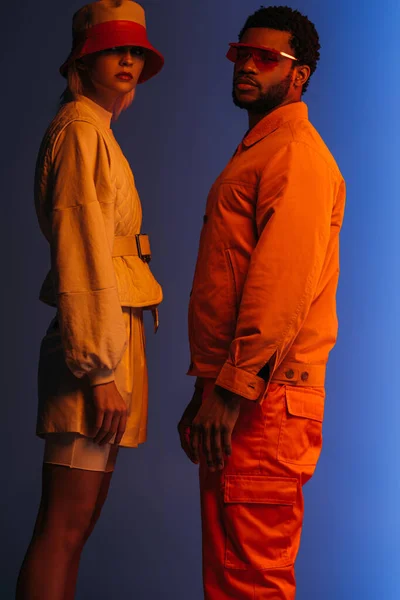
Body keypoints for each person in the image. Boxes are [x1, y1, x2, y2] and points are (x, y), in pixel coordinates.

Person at [178, 5, 346, 599]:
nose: (247, 65)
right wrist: (206, 386)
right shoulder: (261, 149)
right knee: (231, 573)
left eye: (265, 58)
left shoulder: (293, 154)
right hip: (242, 391)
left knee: (252, 578)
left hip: (261, 400)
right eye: (240, 54)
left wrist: (229, 390)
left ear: (297, 76)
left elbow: (280, 283)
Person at [16, 2, 164, 599]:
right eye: (112, 48)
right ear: (84, 56)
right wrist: (100, 370)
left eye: (134, 50)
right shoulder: (80, 132)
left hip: (107, 340)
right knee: (63, 528)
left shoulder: (96, 128)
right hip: (93, 352)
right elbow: (81, 255)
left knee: (77, 528)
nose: (126, 58)